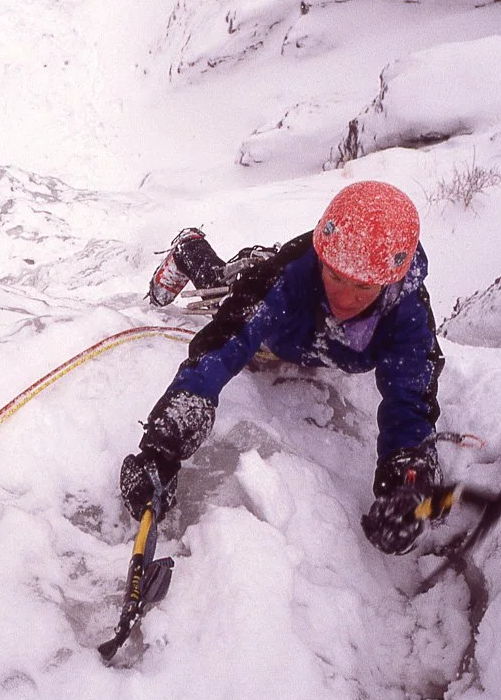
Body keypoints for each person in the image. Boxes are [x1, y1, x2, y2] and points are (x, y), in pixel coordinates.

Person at [121, 180, 445, 556]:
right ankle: (189, 247)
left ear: (392, 279)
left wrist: (407, 478)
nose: (343, 297)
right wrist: (162, 448)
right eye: (335, 275)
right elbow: (221, 348)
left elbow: (411, 395)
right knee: (217, 288)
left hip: (304, 342)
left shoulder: (407, 312)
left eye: (361, 286)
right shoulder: (284, 278)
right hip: (268, 324)